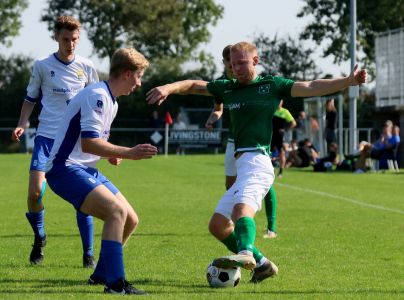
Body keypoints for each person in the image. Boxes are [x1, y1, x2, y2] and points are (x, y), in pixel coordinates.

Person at [147, 41, 367, 283]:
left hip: (258, 162)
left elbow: (311, 85)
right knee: (218, 225)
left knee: (242, 210)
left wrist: (348, 81)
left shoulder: (272, 85)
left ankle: (245, 253)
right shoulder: (226, 88)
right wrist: (168, 87)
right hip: (241, 163)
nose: (237, 68)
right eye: (233, 64)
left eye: (242, 63)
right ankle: (263, 264)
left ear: (255, 60)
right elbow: (191, 85)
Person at [45, 48, 156, 294]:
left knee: (131, 219)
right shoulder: (97, 95)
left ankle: (101, 274)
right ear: (128, 74)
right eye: (139, 76)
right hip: (64, 168)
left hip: (83, 168)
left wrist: (110, 154)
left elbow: (93, 142)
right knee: (116, 212)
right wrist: (127, 152)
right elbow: (88, 143)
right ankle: (116, 283)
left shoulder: (110, 100)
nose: (139, 83)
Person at [11, 16, 99, 266]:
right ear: (56, 38)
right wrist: (22, 122)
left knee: (85, 199)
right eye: (65, 39)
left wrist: (104, 139)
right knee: (35, 193)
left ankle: (88, 254)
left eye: (74, 39)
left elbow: (97, 105)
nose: (70, 44)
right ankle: (39, 238)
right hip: (47, 139)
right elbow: (31, 98)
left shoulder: (87, 66)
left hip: (76, 144)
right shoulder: (42, 65)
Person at [205, 45, 279, 238]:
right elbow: (218, 108)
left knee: (261, 183)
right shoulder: (222, 84)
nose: (233, 66)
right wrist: (213, 118)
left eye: (237, 62)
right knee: (232, 185)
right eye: (229, 62)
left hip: (255, 145)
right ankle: (235, 220)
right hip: (234, 143)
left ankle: (270, 226)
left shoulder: (256, 83)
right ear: (225, 63)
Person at [271, 100, 296, 178]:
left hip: (280, 136)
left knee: (281, 152)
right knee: (268, 152)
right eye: (277, 101)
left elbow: (293, 123)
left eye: (280, 101)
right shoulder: (271, 110)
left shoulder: (285, 112)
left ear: (282, 103)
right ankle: (270, 170)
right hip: (271, 135)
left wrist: (285, 129)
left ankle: (280, 171)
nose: (278, 103)